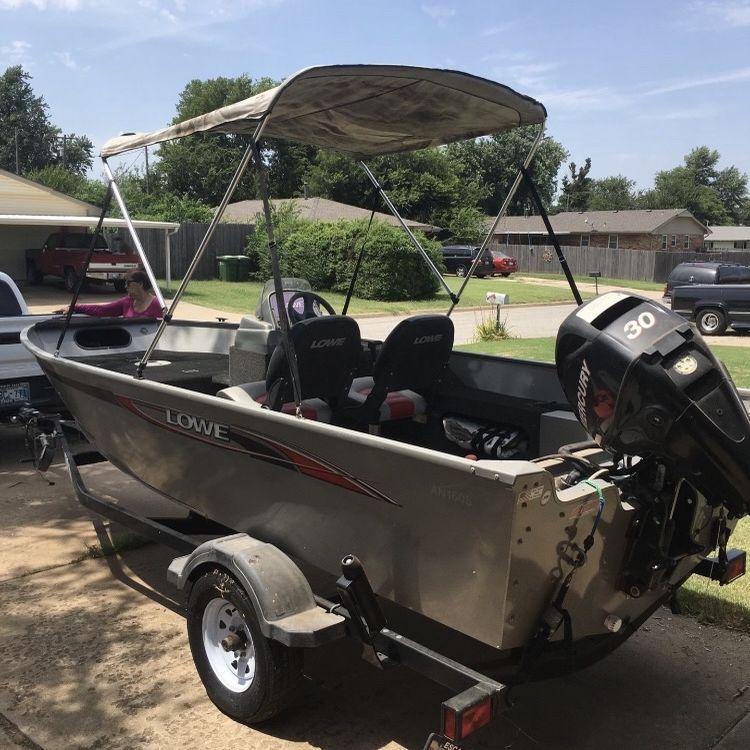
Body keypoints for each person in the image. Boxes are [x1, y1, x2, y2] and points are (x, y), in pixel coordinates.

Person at [57, 270, 163, 318]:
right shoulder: (126, 302)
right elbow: (102, 310)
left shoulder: (157, 304)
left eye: (129, 283)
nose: (126, 287)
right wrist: (74, 307)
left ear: (140, 284)